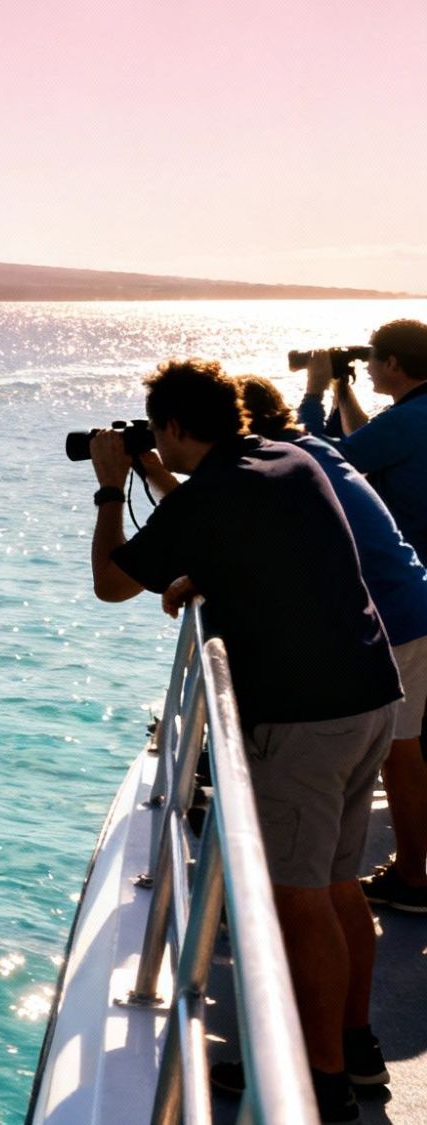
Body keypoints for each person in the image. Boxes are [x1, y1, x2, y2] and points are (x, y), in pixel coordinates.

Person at [88, 359, 400, 1121]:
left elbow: (112, 581)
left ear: (170, 426)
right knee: (335, 885)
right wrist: (204, 565)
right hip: (369, 694)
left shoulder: (217, 493)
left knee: (298, 901)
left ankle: (321, 1079)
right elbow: (260, 543)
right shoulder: (285, 458)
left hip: (301, 720)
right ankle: (356, 1047)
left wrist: (107, 487)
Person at [242, 375, 427, 913]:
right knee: (403, 747)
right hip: (411, 599)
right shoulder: (312, 447)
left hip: (389, 616)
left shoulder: (277, 466)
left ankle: (410, 877)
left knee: (394, 749)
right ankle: (412, 873)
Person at [300, 319, 427, 552]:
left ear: (391, 363)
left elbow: (321, 458)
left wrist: (314, 392)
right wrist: (341, 385)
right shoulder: (416, 409)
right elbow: (365, 440)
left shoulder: (406, 419)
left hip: (411, 561)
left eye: (370, 358)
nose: (366, 367)